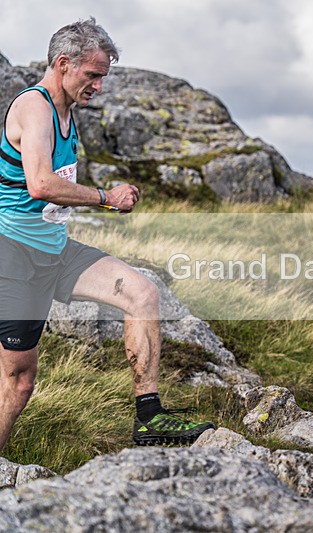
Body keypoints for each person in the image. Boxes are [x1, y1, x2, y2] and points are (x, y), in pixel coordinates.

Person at [0, 18, 214, 452]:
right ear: (63, 64)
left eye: (102, 77)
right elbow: (41, 184)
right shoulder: (33, 107)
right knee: (19, 384)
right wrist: (105, 197)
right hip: (14, 256)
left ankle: (149, 418)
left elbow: (49, 195)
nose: (98, 86)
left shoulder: (67, 112)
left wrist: (105, 197)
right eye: (93, 75)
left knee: (142, 293)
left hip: (54, 251)